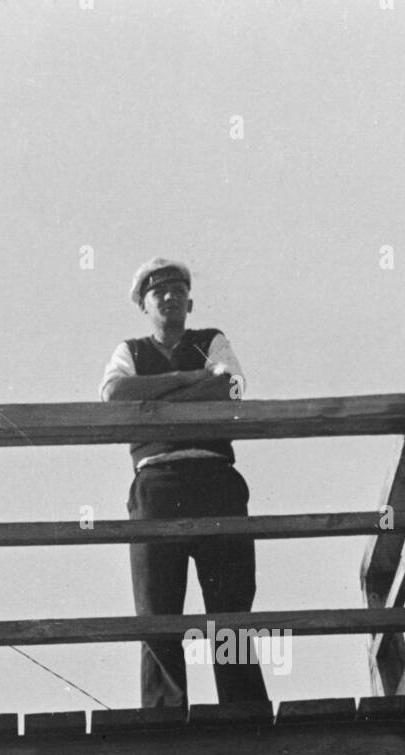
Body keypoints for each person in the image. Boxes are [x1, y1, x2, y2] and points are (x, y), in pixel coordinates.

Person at [99, 257, 268, 710]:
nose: (169, 298)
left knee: (230, 604)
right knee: (157, 609)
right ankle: (164, 716)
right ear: (144, 305)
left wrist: (154, 396)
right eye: (159, 293)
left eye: (178, 291)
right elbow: (114, 394)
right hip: (156, 482)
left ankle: (244, 712)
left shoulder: (210, 340)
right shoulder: (130, 351)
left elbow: (232, 388)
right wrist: (191, 379)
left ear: (190, 302)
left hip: (215, 479)